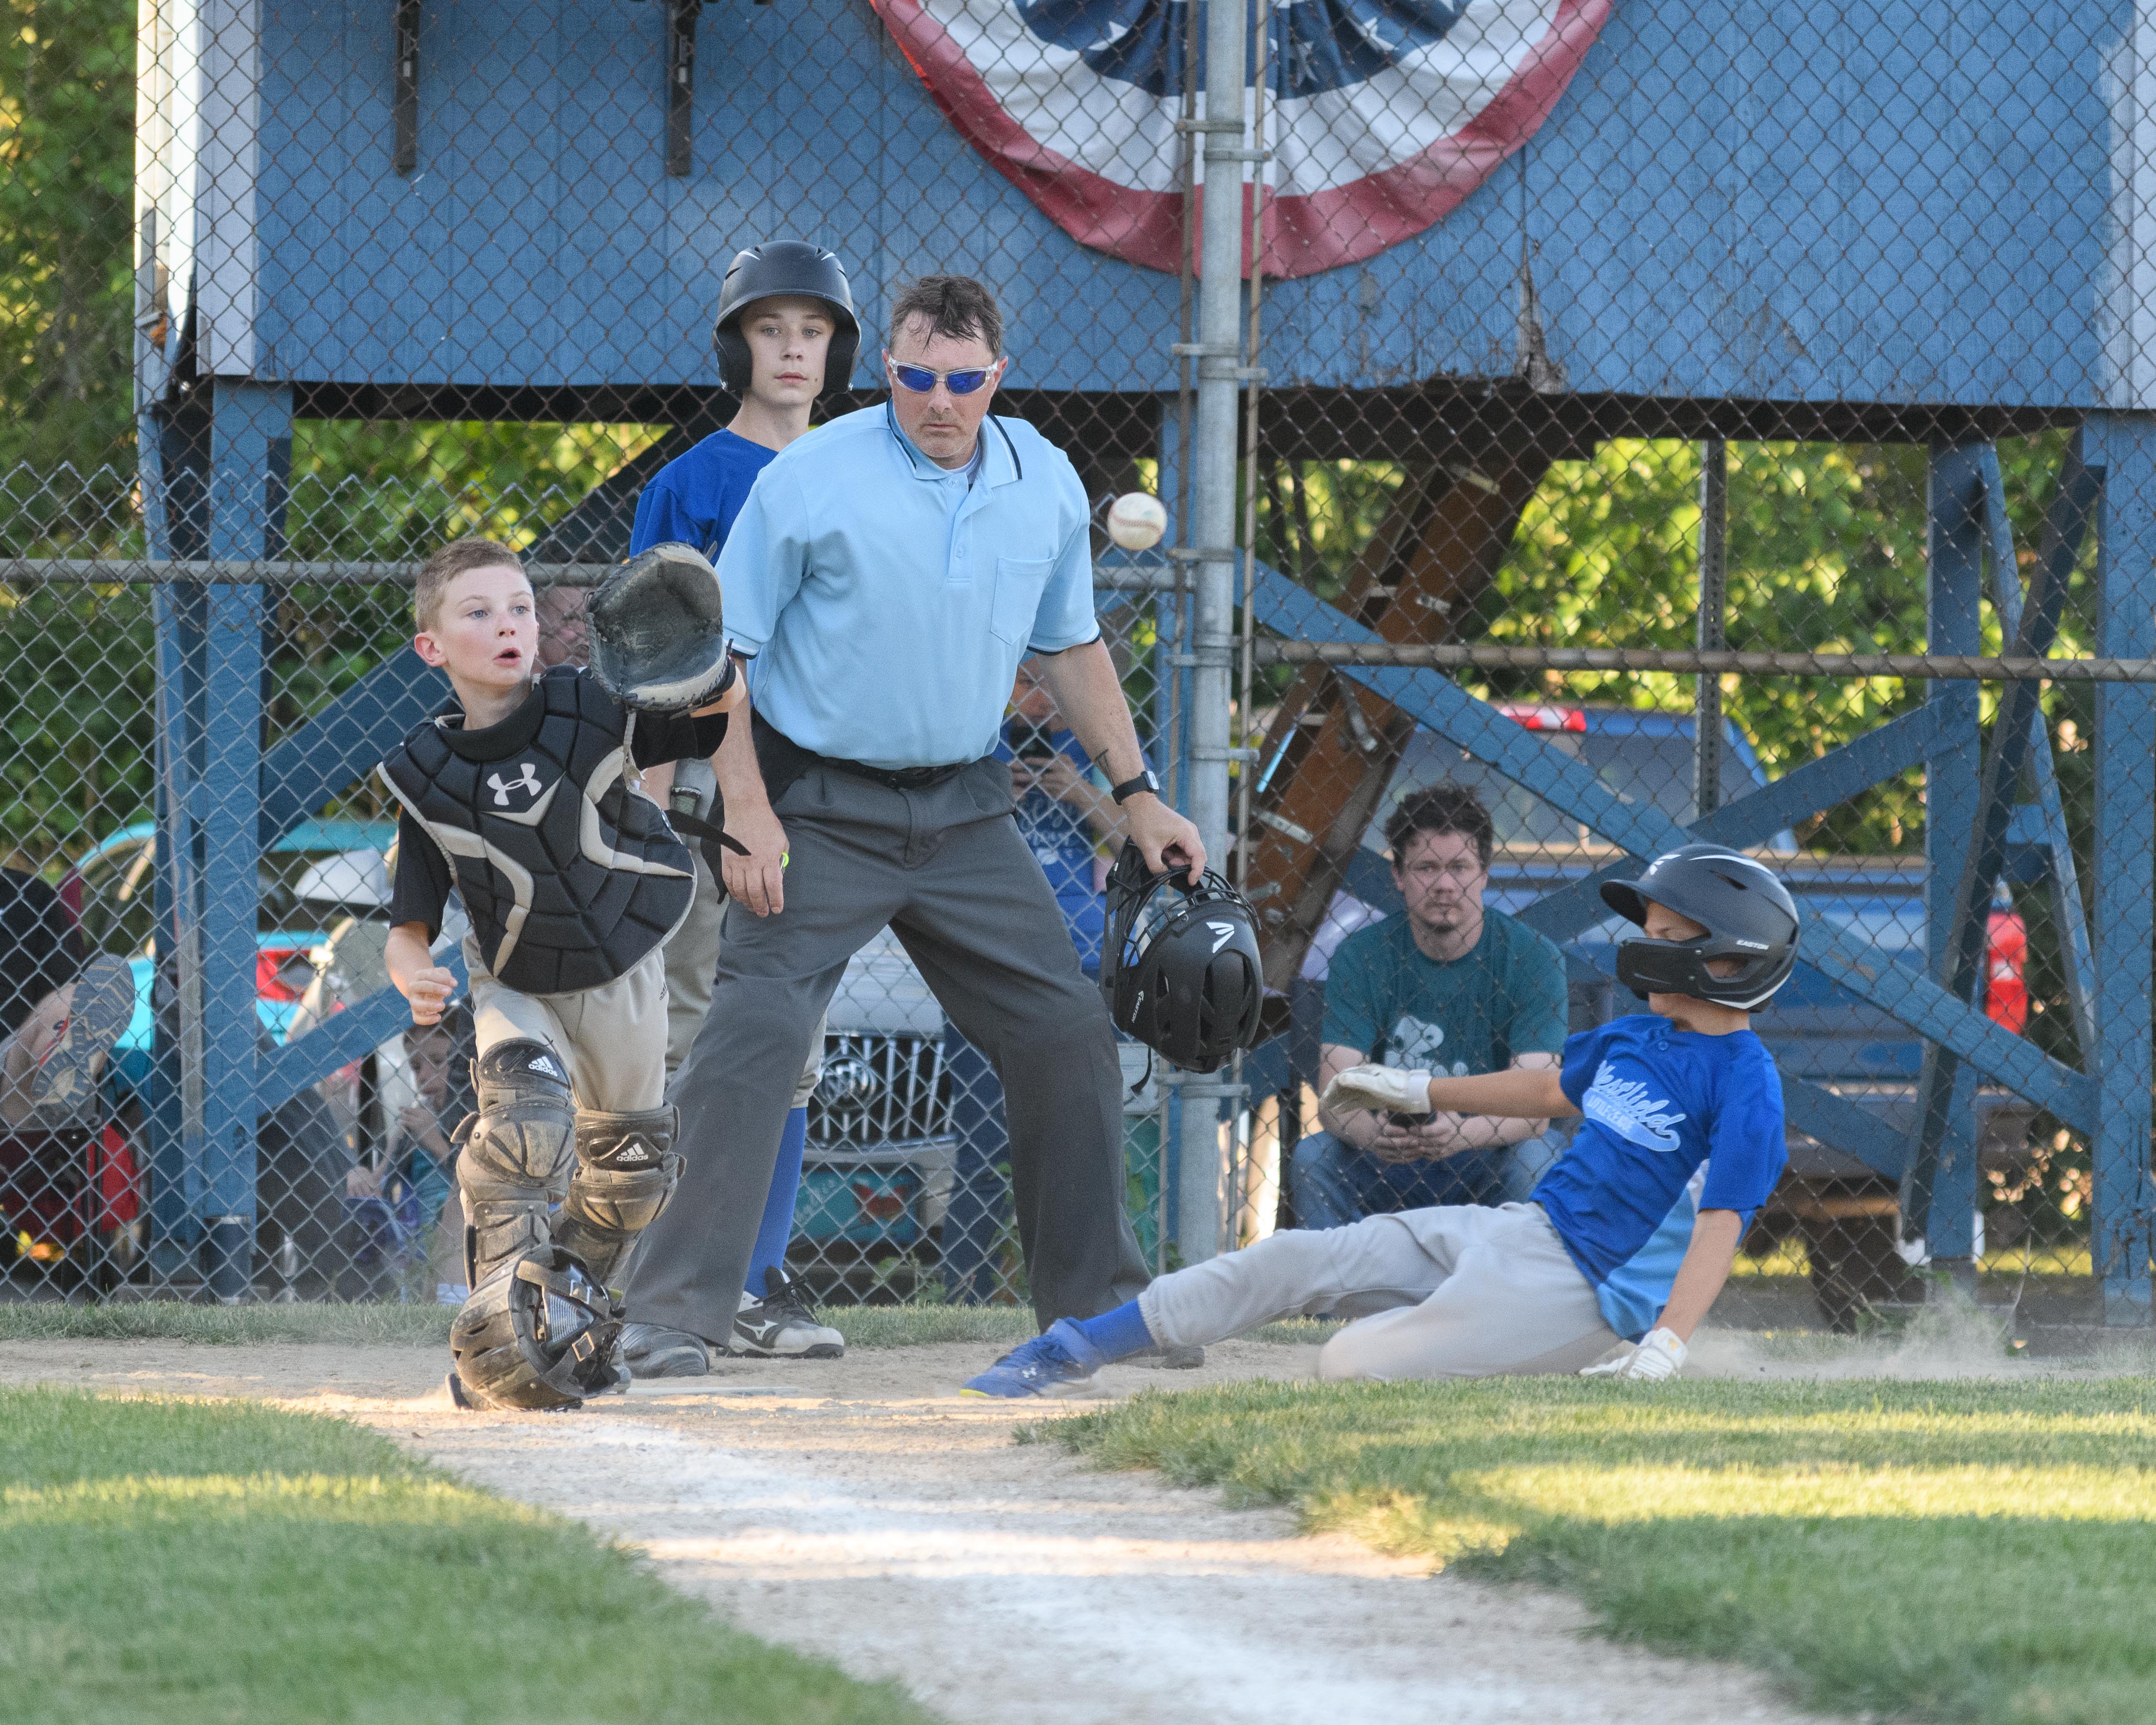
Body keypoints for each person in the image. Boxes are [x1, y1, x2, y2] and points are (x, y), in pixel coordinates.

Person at [623, 273, 1202, 1368]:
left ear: (998, 376)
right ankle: (670, 1311)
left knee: (1067, 1032)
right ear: (888, 370)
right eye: (917, 377)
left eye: (964, 381)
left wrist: (1138, 794)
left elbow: (1072, 647)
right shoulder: (812, 475)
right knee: (753, 1029)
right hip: (817, 800)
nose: (940, 401)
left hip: (965, 805)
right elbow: (717, 654)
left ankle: (1100, 1311)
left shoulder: (1043, 477)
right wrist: (746, 808)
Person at [960, 844, 1797, 1394]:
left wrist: (1667, 1344)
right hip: (1520, 1232)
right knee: (1300, 1256)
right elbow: (1547, 1094)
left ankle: (1548, 1357)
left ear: (1728, 960)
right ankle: (1075, 1347)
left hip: (1584, 1292)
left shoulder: (1747, 1085)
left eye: (1667, 935)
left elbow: (1720, 1224)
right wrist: (1420, 1090)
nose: (1645, 947)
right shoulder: (1638, 1038)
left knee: (1350, 1362)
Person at [378, 535, 744, 1408]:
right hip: (515, 977)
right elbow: (409, 924)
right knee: (524, 1130)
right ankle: (495, 1339)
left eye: (520, 608)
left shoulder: (593, 705)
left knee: (629, 1175)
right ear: (432, 646)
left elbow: (711, 716)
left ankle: (562, 1321)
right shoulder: (426, 773)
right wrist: (412, 970)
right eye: (478, 613)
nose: (507, 625)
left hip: (623, 970)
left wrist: (714, 664)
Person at [619, 241, 859, 1371]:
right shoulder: (692, 483)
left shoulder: (865, 473)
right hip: (713, 782)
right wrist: (645, 804)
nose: (794, 350)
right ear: (738, 347)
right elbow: (653, 651)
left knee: (792, 1037)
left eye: (814, 331)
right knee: (690, 1031)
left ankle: (756, 1278)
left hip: (827, 783)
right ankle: (668, 1276)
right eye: (772, 329)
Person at [942, 660, 1138, 1302]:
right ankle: (964, 1291)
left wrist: (1080, 792)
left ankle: (1090, 1287)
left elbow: (1138, 845)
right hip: (987, 953)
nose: (1042, 701)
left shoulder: (1097, 749)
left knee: (1086, 1137)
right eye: (1027, 683)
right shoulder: (974, 738)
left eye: (1052, 685)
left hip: (1081, 959)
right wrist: (999, 793)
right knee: (983, 1147)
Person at [1294, 784, 1568, 1228]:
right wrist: (1374, 1133)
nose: (1444, 885)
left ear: (1485, 874)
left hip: (1486, 1155)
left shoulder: (1534, 958)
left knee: (1539, 1156)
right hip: (1386, 1159)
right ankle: (1339, 1277)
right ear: (1399, 876)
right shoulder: (1362, 956)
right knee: (1316, 1156)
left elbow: (1537, 1106)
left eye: (1460, 867)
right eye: (1426, 867)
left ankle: (1519, 1274)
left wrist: (1460, 1133)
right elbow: (1335, 1096)